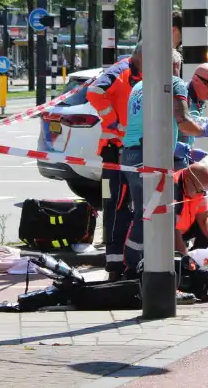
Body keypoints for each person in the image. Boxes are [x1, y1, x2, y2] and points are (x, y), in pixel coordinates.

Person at [121, 49, 208, 275]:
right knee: (160, 213)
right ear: (175, 66)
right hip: (152, 157)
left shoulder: (139, 87)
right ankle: (164, 270)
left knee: (143, 213)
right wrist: (202, 129)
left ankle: (133, 265)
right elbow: (182, 120)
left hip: (130, 154)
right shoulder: (175, 83)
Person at [86, 44, 143, 279]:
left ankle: (126, 262)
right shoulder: (120, 70)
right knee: (114, 206)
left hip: (131, 151)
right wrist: (113, 120)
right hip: (113, 152)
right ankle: (114, 265)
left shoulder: (144, 74)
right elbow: (94, 91)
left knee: (131, 208)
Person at [172, 160, 208, 252]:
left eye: (204, 191)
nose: (202, 194)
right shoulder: (172, 190)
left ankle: (200, 256)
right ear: (187, 181)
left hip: (185, 228)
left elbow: (204, 217)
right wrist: (185, 257)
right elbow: (172, 230)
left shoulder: (198, 189)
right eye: (200, 190)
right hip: (170, 233)